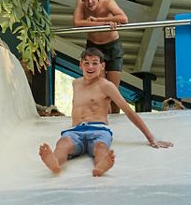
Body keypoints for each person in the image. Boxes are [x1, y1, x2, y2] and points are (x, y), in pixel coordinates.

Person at [39, 46, 171, 177]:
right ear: (80, 65)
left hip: (99, 129)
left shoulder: (106, 86)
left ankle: (101, 165)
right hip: (76, 130)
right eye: (86, 63)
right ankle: (55, 162)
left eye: (95, 63)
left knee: (100, 147)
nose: (90, 67)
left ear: (102, 66)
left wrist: (151, 138)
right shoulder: (76, 83)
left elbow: (128, 112)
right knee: (62, 144)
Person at [72, 0, 129, 99]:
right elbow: (77, 22)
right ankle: (102, 117)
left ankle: (115, 117)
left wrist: (99, 19)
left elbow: (123, 18)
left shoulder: (108, 3)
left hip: (113, 46)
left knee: (113, 90)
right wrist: (103, 23)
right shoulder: (80, 3)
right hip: (94, 48)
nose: (90, 2)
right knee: (100, 90)